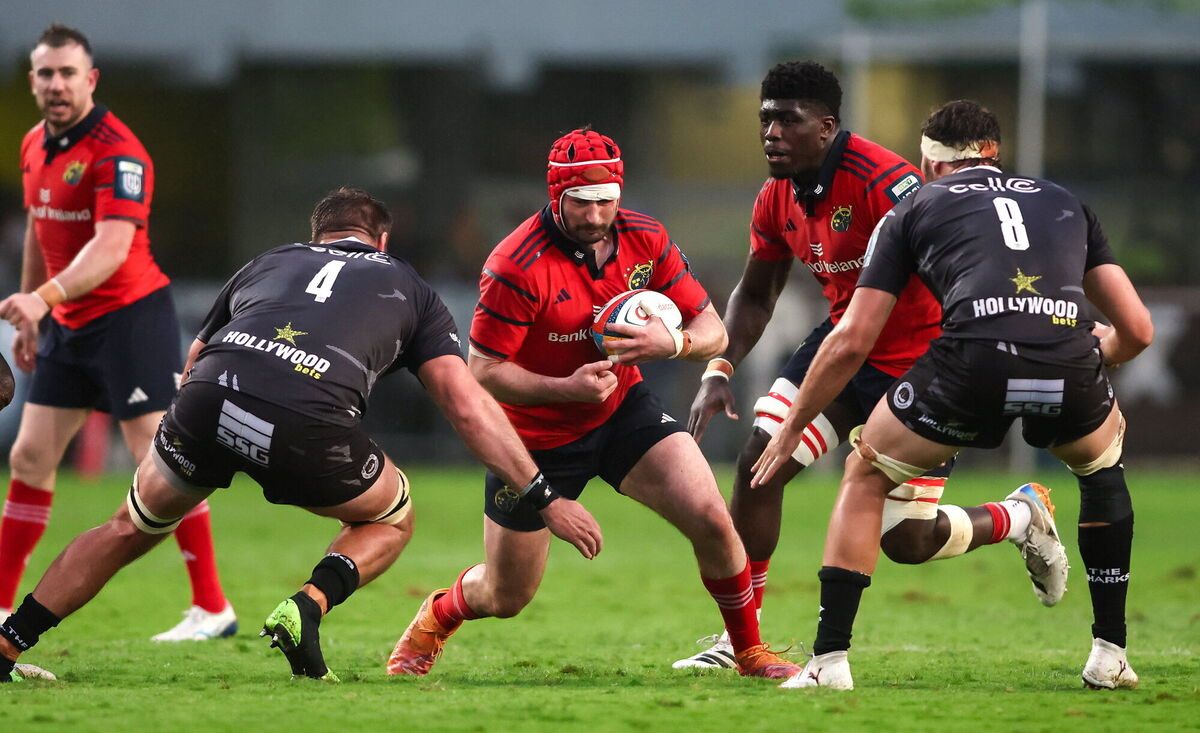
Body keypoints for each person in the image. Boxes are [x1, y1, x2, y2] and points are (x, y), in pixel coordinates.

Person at [0, 187, 603, 683]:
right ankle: (307, 606)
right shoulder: (408, 285)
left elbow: (196, 356)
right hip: (302, 420)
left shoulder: (269, 261)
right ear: (382, 240)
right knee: (394, 516)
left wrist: (213, 439)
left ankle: (9, 644)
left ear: (317, 237)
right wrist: (544, 497)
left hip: (207, 399)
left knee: (127, 526)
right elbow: (467, 407)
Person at [752, 100, 1153, 690]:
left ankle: (828, 663)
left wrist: (793, 425)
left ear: (930, 162)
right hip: (1066, 365)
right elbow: (1138, 331)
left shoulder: (911, 207)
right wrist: (1101, 353)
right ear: (995, 155)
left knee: (865, 477)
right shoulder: (1066, 203)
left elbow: (850, 341)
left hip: (970, 366)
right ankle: (1110, 654)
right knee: (1102, 468)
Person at [676, 61, 1055, 670]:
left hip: (922, 359)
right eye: (764, 120)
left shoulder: (889, 184)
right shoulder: (775, 197)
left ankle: (1017, 515)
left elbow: (961, 265)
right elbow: (756, 293)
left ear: (826, 127)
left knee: (907, 540)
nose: (771, 132)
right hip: (844, 348)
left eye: (787, 120)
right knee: (758, 462)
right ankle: (741, 640)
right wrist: (719, 365)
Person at [386, 128, 800, 680]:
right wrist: (566, 388)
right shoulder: (515, 264)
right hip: (535, 438)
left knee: (710, 517)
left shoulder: (644, 236)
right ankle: (437, 615)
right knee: (508, 594)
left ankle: (749, 653)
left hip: (621, 408)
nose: (595, 214)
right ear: (556, 195)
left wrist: (670, 344)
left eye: (607, 200)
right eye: (581, 202)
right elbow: (482, 374)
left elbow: (713, 329)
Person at [0, 24, 235, 641]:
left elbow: (111, 248)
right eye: (45, 73)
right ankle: (0, 606)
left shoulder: (117, 150)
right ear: (32, 81)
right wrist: (37, 311)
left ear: (91, 79)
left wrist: (40, 297)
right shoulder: (32, 145)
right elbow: (40, 231)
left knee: (160, 463)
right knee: (28, 456)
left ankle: (212, 607)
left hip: (131, 318)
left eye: (67, 73)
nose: (55, 84)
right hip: (68, 325)